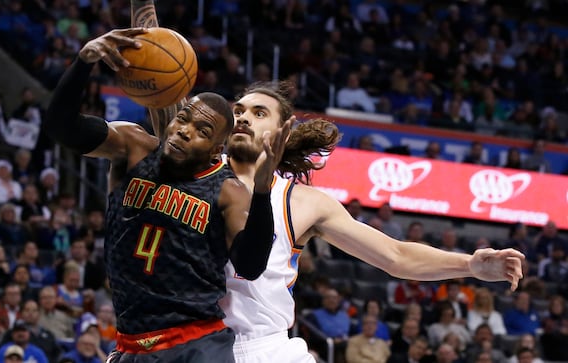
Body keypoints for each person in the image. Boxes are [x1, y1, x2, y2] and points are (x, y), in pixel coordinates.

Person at [131, 4, 525, 363]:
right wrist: (142, 8)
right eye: (238, 110)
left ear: (282, 128)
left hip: (266, 349)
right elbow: (157, 85)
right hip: (192, 346)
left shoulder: (303, 202)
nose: (244, 117)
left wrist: (471, 264)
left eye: (259, 111)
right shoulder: (193, 167)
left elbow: (395, 256)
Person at [42, 27, 288, 363]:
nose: (185, 132)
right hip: (130, 345)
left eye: (201, 132)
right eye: (184, 119)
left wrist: (261, 193)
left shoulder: (228, 190)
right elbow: (60, 127)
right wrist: (84, 61)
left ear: (217, 150)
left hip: (195, 345)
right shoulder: (134, 147)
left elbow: (250, 265)